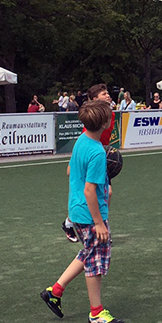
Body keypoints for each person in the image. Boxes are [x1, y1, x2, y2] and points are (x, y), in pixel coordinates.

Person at [40, 100, 125, 323]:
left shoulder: (81, 140)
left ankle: (55, 291)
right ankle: (96, 312)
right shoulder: (97, 152)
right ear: (106, 124)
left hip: (76, 210)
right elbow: (89, 190)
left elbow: (70, 170)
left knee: (88, 252)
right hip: (90, 215)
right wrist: (99, 223)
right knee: (95, 262)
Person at [62, 84, 115, 243]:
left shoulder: (108, 115)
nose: (107, 96)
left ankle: (99, 222)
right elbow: (76, 171)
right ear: (93, 100)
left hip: (100, 153)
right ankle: (76, 222)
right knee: (96, 192)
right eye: (103, 94)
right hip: (95, 157)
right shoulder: (89, 133)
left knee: (107, 192)